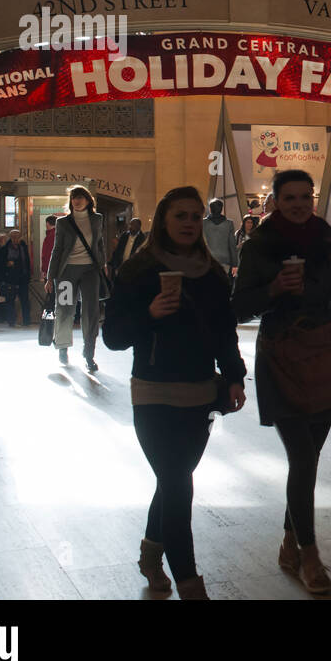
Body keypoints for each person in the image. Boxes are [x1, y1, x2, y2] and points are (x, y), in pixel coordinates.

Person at [232, 170, 331, 595]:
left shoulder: (325, 243)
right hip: (281, 357)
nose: (299, 204)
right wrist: (272, 289)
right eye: (290, 198)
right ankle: (309, 554)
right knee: (303, 459)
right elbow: (239, 308)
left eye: (305, 196)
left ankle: (290, 542)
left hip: (324, 355)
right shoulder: (258, 248)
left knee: (309, 458)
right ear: (275, 201)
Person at [103, 186, 248, 600]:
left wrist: (234, 375)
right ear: (163, 220)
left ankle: (151, 555)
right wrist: (148, 314)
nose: (188, 223)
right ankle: (189, 583)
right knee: (178, 485)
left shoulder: (211, 273)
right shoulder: (140, 269)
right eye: (180, 215)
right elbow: (112, 336)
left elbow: (225, 332)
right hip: (152, 393)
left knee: (173, 481)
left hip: (200, 394)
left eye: (194, 216)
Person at [46, 186, 109, 373]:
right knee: (65, 310)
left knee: (91, 313)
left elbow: (99, 244)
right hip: (66, 272)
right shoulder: (63, 222)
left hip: (91, 271)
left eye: (81, 197)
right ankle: (63, 348)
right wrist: (50, 276)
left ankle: (89, 355)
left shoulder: (97, 219)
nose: (77, 200)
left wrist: (103, 264)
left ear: (88, 200)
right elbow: (57, 250)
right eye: (74, 197)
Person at [3, 230, 32, 326]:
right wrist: (7, 265)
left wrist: (28, 274)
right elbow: (1, 261)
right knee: (10, 300)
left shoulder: (23, 247)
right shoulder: (6, 248)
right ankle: (11, 321)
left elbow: (27, 261)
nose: (15, 239)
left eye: (17, 237)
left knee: (24, 300)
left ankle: (26, 320)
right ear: (10, 237)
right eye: (13, 237)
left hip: (23, 277)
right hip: (11, 278)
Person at [202, 199, 239, 274]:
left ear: (210, 209)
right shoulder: (229, 223)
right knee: (222, 284)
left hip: (207, 259)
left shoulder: (203, 223)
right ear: (221, 209)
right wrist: (235, 264)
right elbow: (232, 245)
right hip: (224, 259)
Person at [41, 214, 58, 280]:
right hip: (58, 268)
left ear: (47, 223)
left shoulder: (50, 236)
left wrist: (44, 270)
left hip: (50, 269)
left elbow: (47, 254)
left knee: (50, 289)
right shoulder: (59, 234)